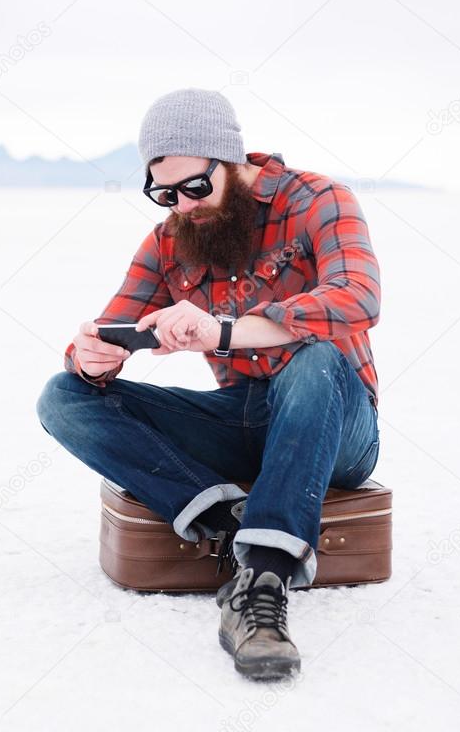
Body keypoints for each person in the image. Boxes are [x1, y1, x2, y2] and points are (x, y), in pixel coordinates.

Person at [35, 87, 381, 680]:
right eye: (163, 193)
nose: (183, 205)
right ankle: (229, 523)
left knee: (316, 358)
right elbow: (111, 326)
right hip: (243, 414)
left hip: (337, 418)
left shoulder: (319, 199)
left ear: (231, 161)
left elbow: (358, 299)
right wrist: (92, 354)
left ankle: (261, 585)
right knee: (63, 397)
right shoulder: (171, 238)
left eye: (195, 186)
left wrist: (223, 332)